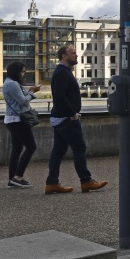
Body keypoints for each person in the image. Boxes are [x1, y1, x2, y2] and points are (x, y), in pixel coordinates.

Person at [45, 45, 107, 195]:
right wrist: (72, 113)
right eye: (73, 53)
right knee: (79, 148)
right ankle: (86, 181)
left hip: (61, 117)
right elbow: (59, 97)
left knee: (58, 151)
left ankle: (52, 183)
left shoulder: (63, 72)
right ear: (64, 56)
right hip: (66, 118)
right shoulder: (62, 73)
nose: (76, 55)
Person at [2, 61, 40, 188]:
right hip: (18, 120)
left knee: (17, 149)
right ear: (16, 72)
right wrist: (32, 92)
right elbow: (23, 101)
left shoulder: (10, 82)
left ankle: (12, 179)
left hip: (12, 120)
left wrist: (29, 91)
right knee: (31, 146)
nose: (24, 74)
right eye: (22, 71)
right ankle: (18, 176)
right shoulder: (12, 84)